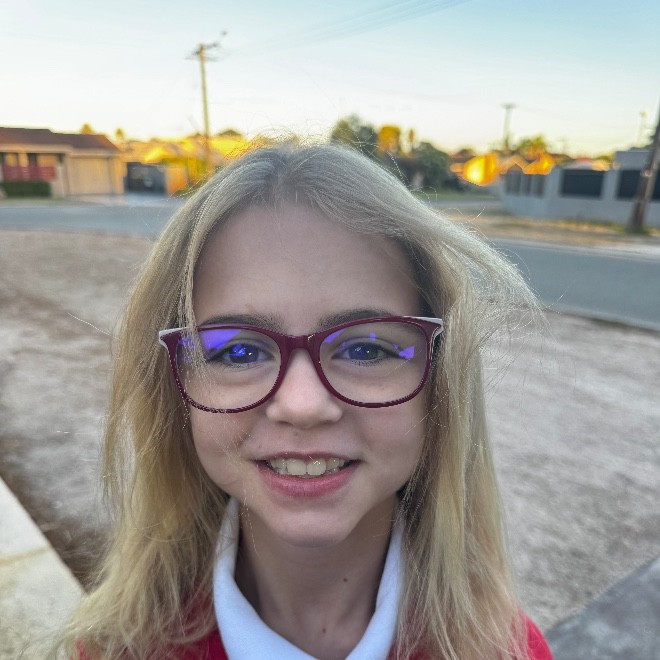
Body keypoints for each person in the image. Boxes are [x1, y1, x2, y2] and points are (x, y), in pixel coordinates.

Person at [58, 144, 552, 659]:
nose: (303, 406)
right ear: (174, 391)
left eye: (366, 348)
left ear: (441, 385)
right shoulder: (118, 648)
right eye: (239, 351)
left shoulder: (508, 651)